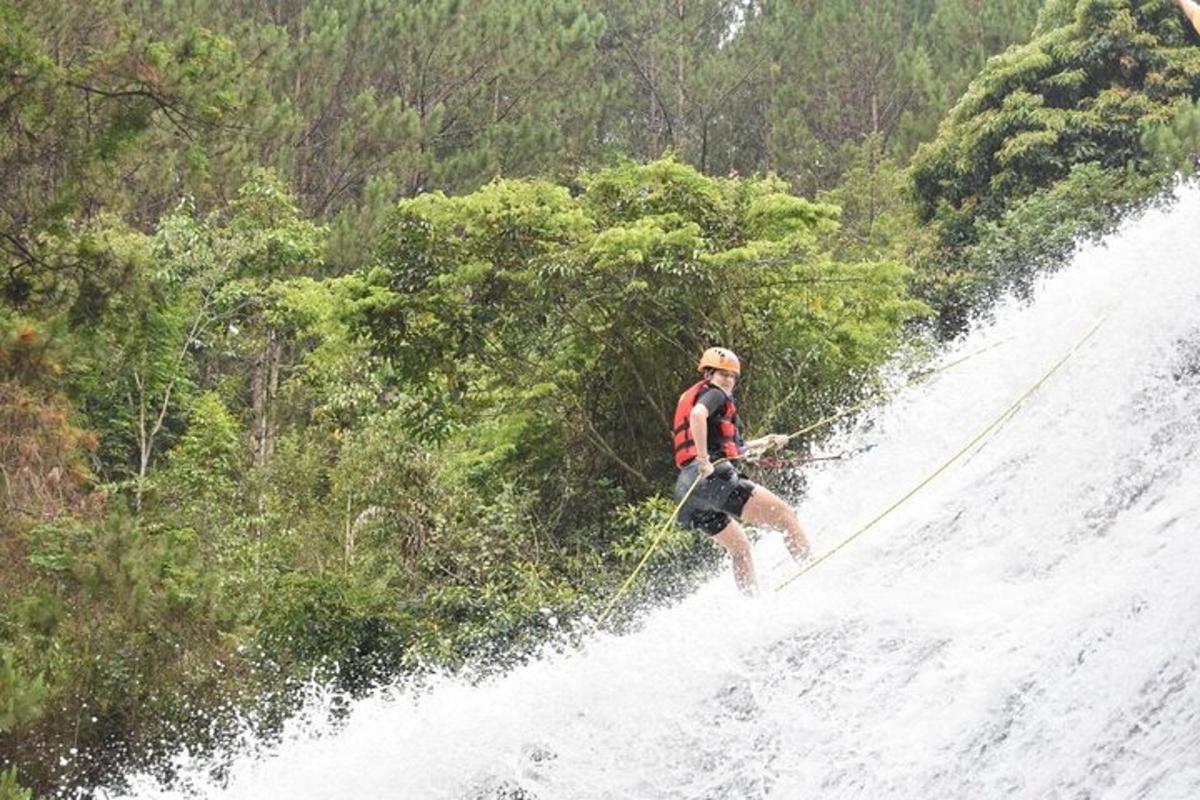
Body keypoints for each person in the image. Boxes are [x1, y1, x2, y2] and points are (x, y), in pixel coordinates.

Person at [672, 346, 811, 594]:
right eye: (722, 374)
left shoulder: (705, 396)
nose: (728, 380)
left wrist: (766, 441)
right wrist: (704, 460)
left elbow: (734, 448)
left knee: (740, 548)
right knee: (787, 517)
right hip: (712, 478)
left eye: (732, 376)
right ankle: (812, 570)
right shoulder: (715, 395)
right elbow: (697, 416)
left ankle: (751, 602)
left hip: (689, 491)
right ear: (708, 374)